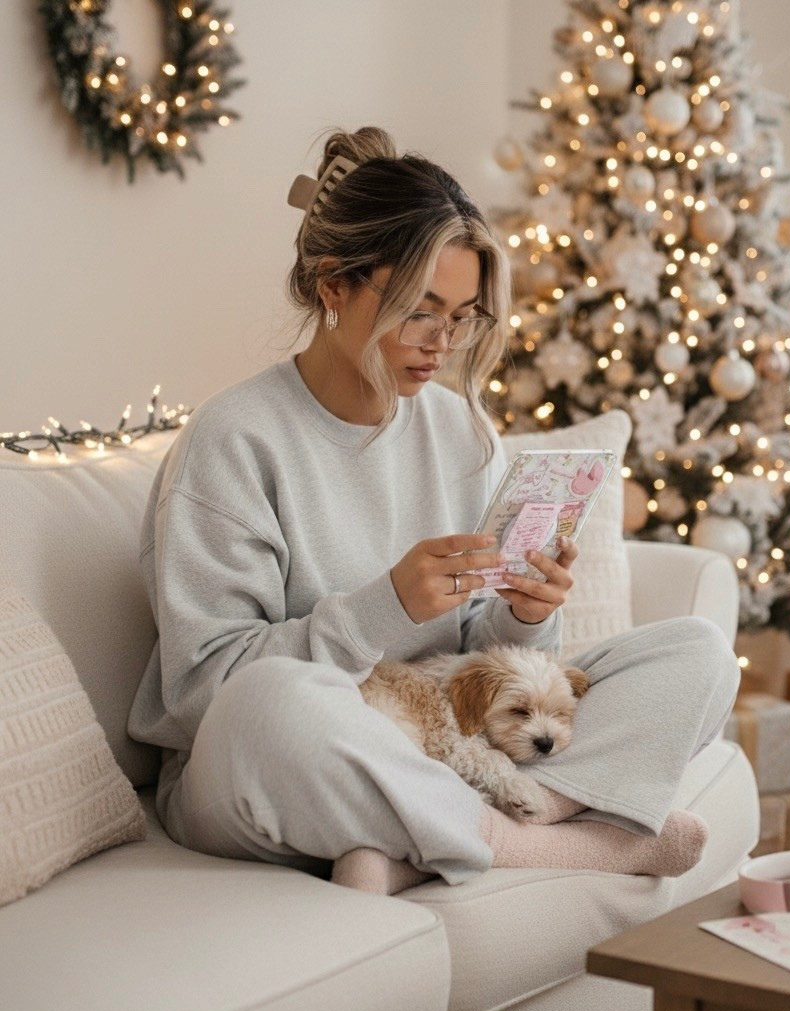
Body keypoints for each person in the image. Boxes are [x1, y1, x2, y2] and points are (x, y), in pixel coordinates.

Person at [127, 126, 740, 895]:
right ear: (333, 286)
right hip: (270, 759)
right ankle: (540, 841)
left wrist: (523, 616)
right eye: (420, 311)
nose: (442, 343)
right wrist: (379, 610)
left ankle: (460, 825)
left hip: (444, 740)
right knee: (272, 703)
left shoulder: (461, 431)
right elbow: (201, 695)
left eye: (463, 317)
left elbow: (477, 668)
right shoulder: (234, 440)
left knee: (698, 652)